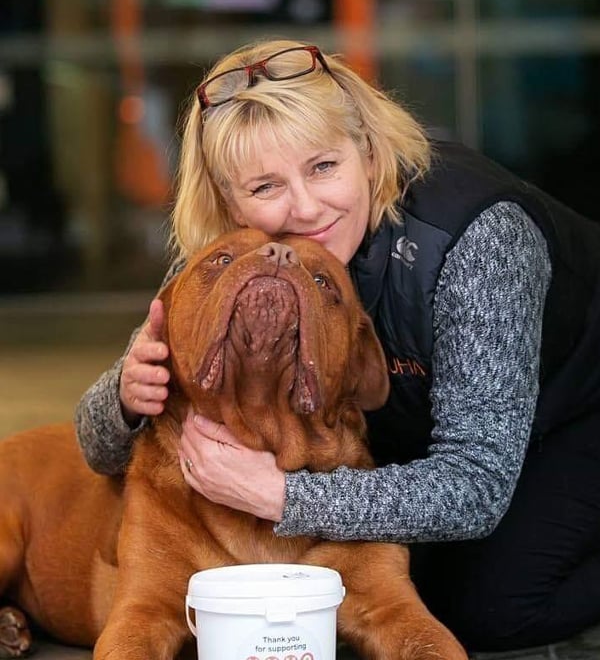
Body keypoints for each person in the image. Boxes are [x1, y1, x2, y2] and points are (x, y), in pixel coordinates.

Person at [75, 38, 600, 653]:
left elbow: (474, 486)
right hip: (437, 436)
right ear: (228, 200)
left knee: (488, 606)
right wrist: (125, 394)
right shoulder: (239, 256)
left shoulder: (478, 241)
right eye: (265, 185)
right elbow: (96, 444)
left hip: (573, 412)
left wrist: (281, 495)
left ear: (370, 154)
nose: (303, 207)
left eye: (324, 167)